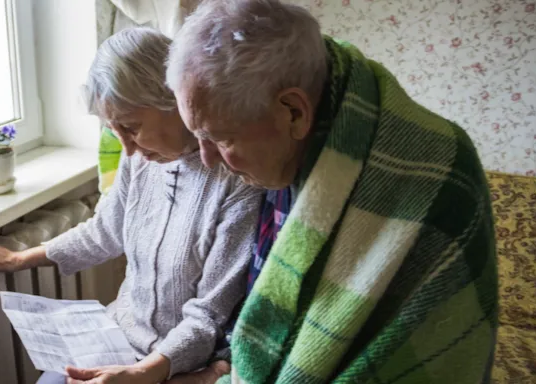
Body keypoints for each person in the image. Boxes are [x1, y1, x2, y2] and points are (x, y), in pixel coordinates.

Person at [165, 1, 499, 383]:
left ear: (293, 112)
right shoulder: (289, 150)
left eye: (220, 138)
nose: (208, 160)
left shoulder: (439, 171)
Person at [0, 27, 262, 384]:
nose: (127, 148)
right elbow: (105, 231)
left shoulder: (238, 179)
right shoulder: (141, 160)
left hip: (181, 362)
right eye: (114, 130)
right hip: (117, 336)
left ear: (175, 101)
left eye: (131, 127)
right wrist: (20, 259)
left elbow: (209, 316)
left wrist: (141, 372)